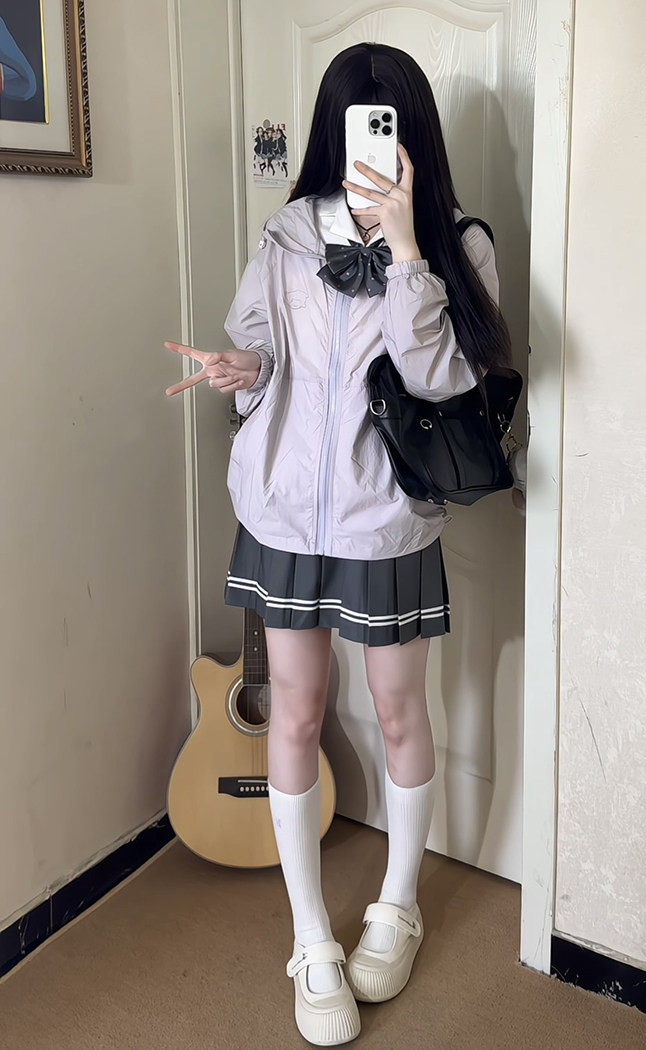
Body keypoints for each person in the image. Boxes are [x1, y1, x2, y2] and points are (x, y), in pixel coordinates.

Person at [164, 42, 512, 1047]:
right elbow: (260, 343)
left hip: (384, 519)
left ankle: (396, 907)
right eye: (355, 121)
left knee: (403, 712)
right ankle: (311, 937)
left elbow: (444, 380)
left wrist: (408, 248)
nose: (368, 141)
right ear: (331, 129)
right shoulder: (285, 236)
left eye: (385, 122)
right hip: (283, 515)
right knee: (297, 712)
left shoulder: (458, 243)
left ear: (411, 134)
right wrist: (244, 366)